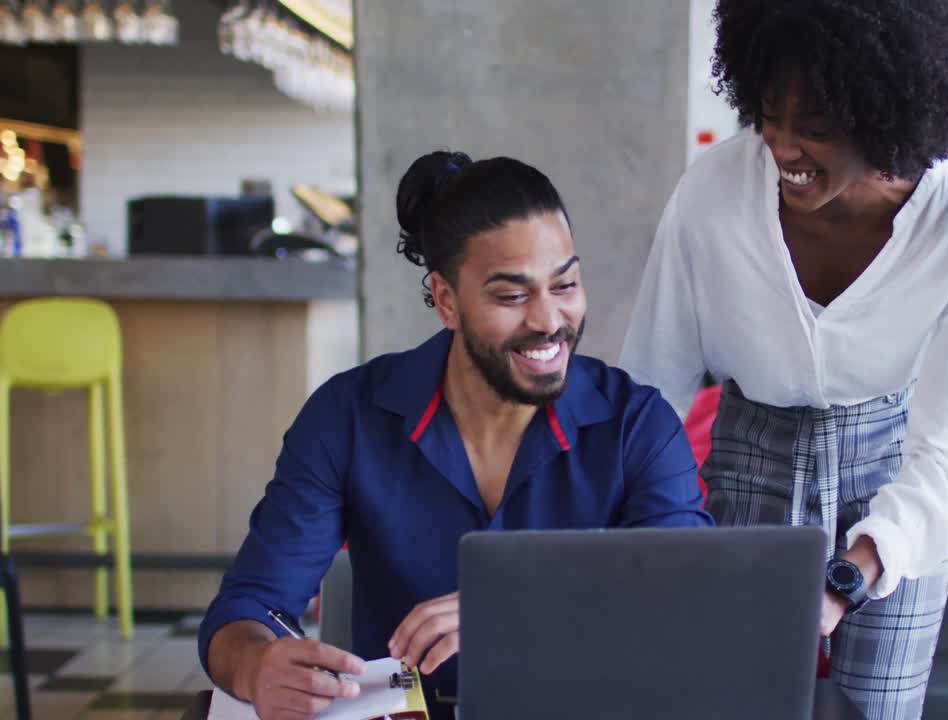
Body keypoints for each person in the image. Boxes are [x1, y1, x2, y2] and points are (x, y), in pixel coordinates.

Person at [200, 151, 712, 720]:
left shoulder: (636, 426)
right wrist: (256, 666)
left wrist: (515, 609)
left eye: (564, 284)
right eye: (512, 296)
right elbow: (246, 609)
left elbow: (685, 604)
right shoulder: (349, 417)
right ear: (447, 300)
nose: (548, 320)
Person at [620, 1, 948, 716]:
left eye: (819, 131)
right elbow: (649, 391)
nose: (784, 149)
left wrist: (850, 578)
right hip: (746, 464)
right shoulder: (711, 196)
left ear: (886, 118)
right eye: (770, 117)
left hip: (898, 483)